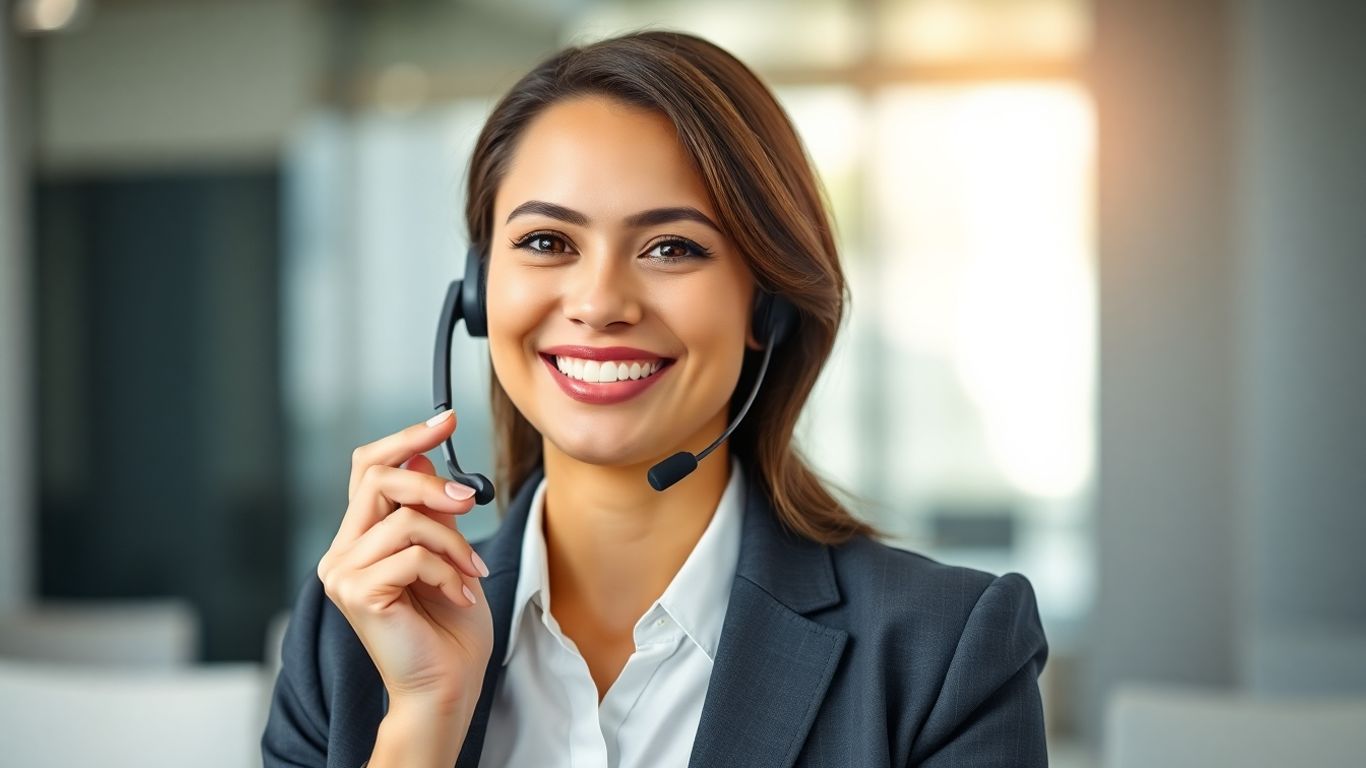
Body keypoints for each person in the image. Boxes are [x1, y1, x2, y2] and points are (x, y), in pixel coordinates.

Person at [262, 30, 1048, 768]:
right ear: (476, 294)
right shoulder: (352, 643)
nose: (600, 302)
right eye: (547, 242)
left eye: (672, 247)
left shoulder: (942, 652)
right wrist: (422, 721)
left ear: (764, 307)